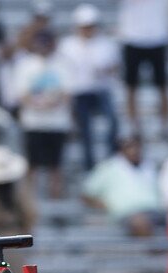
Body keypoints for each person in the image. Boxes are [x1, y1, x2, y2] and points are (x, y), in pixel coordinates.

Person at [59, 4, 120, 173]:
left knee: (112, 122)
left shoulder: (106, 44)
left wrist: (105, 70)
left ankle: (111, 160)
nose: (88, 30)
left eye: (90, 26)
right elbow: (63, 72)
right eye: (85, 26)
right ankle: (89, 165)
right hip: (79, 93)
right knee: (85, 130)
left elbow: (115, 67)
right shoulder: (67, 45)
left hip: (100, 91)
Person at [14, 29, 72, 200]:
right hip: (33, 122)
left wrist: (50, 103)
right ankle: (30, 203)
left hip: (57, 123)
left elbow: (67, 93)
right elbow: (21, 94)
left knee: (56, 166)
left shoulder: (62, 64)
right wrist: (39, 105)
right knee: (32, 165)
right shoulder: (25, 64)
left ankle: (55, 203)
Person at [82, 136, 163, 237]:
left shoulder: (150, 166)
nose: (134, 150)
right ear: (122, 150)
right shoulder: (108, 167)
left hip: (154, 211)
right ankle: (155, 251)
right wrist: (103, 204)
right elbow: (87, 193)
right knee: (140, 222)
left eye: (136, 147)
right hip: (126, 213)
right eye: (129, 147)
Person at [117, 0, 168, 140]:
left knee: (163, 86)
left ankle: (165, 126)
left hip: (157, 37)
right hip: (132, 37)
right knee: (131, 86)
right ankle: (134, 128)